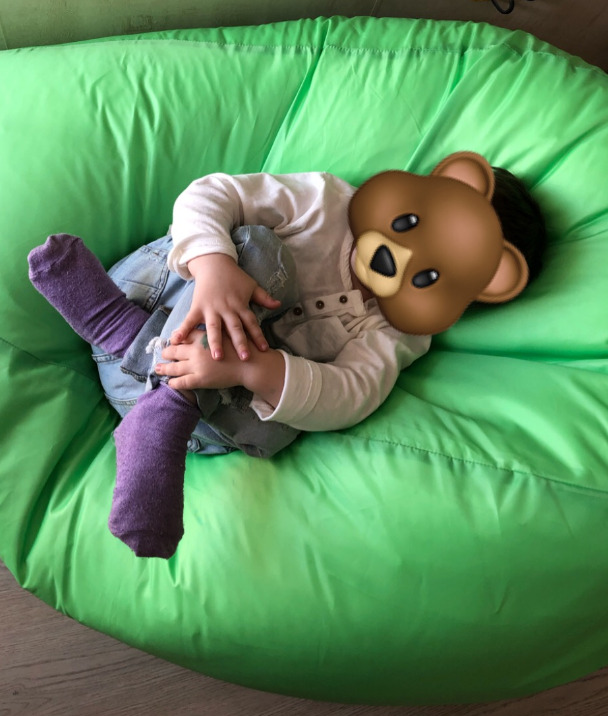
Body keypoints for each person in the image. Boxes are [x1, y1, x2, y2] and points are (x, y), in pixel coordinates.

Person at [28, 164, 546, 560]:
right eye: (413, 225)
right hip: (153, 298)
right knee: (260, 249)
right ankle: (121, 333)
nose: (400, 256)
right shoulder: (325, 201)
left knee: (287, 425)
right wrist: (214, 269)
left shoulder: (402, 330)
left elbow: (351, 393)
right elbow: (212, 193)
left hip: (183, 422)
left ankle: (148, 376)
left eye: (433, 275)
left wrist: (246, 372)